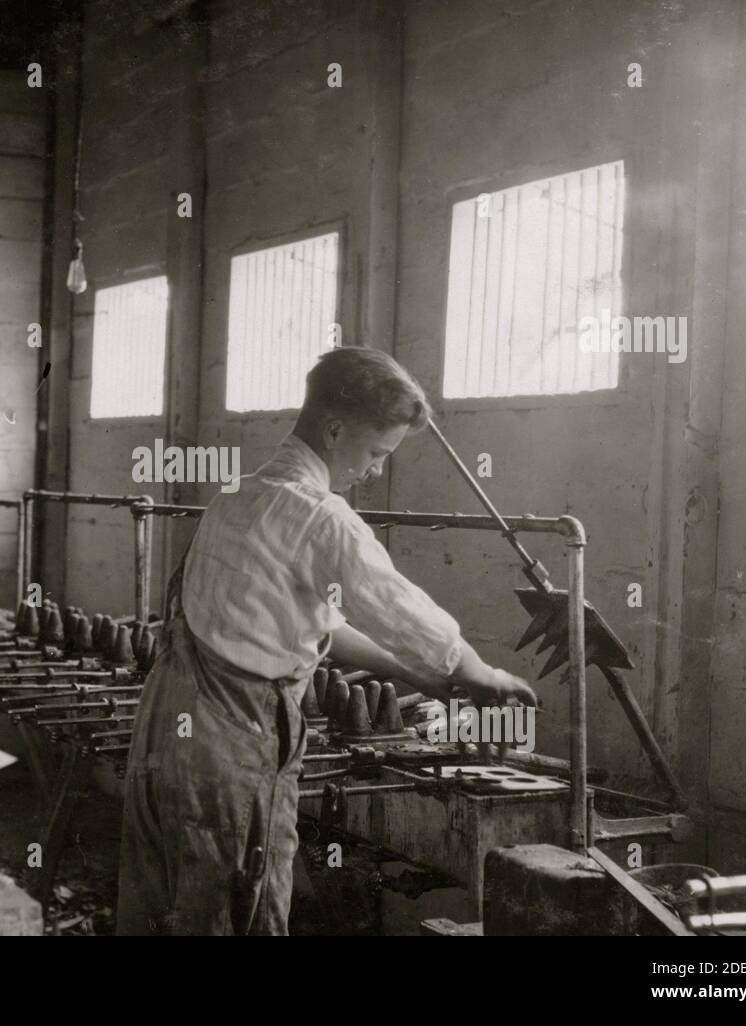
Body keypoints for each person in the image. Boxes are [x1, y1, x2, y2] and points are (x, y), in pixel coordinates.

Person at [117, 346, 539, 936]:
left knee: (160, 908)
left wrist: (423, 678)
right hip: (232, 745)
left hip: (166, 730)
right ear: (335, 428)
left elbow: (320, 626)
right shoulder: (321, 516)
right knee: (239, 909)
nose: (373, 470)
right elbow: (398, 607)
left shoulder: (239, 494)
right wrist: (475, 670)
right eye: (375, 452)